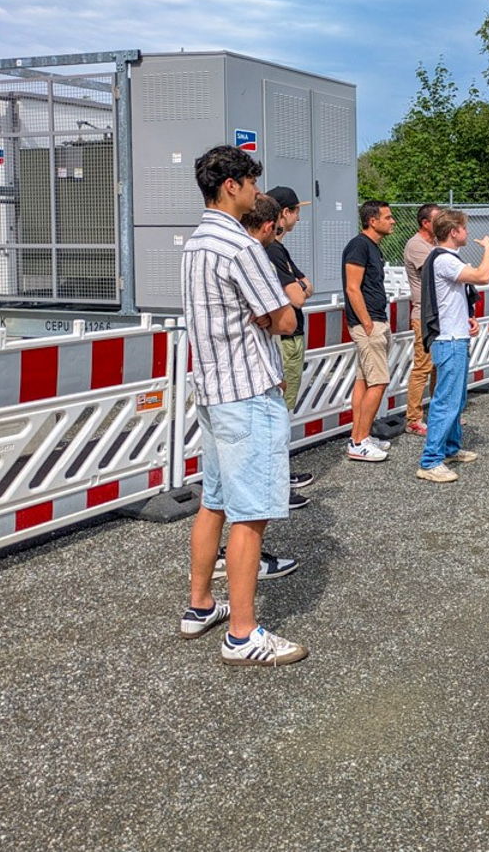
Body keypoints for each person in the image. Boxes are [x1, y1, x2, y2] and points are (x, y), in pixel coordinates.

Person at [178, 145, 307, 666]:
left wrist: (264, 314)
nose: (257, 193)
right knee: (251, 514)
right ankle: (243, 633)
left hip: (212, 387)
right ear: (231, 185)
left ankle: (200, 604)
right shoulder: (240, 246)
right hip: (248, 390)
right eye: (252, 183)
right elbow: (286, 318)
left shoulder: (196, 243)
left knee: (214, 501)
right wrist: (270, 315)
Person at [416, 210, 489, 483]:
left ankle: (449, 448)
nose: (467, 232)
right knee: (446, 401)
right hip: (448, 341)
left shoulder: (444, 258)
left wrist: (467, 318)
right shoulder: (444, 259)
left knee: (456, 399)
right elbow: (483, 276)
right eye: (464, 228)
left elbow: (450, 298)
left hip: (455, 336)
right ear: (453, 232)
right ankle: (430, 461)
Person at [264, 186, 315, 504]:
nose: (298, 217)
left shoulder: (276, 249)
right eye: (296, 210)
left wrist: (301, 285)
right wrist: (300, 285)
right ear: (284, 213)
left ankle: (280, 475)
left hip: (288, 336)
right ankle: (277, 483)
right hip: (286, 338)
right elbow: (299, 294)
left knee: (281, 410)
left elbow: (308, 284)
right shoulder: (272, 251)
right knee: (279, 411)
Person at [341, 200, 396, 462]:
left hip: (374, 320)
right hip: (369, 323)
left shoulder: (372, 247)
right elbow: (353, 287)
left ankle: (359, 435)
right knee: (379, 381)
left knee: (364, 380)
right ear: (372, 221)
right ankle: (359, 441)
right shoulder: (359, 245)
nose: (393, 221)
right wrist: (367, 322)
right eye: (388, 217)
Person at [402, 203, 441, 436]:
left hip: (437, 314)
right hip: (423, 315)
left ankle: (438, 412)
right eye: (437, 219)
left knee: (438, 366)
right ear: (425, 223)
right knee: (423, 366)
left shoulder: (435, 244)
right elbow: (437, 271)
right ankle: (413, 418)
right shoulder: (416, 245)